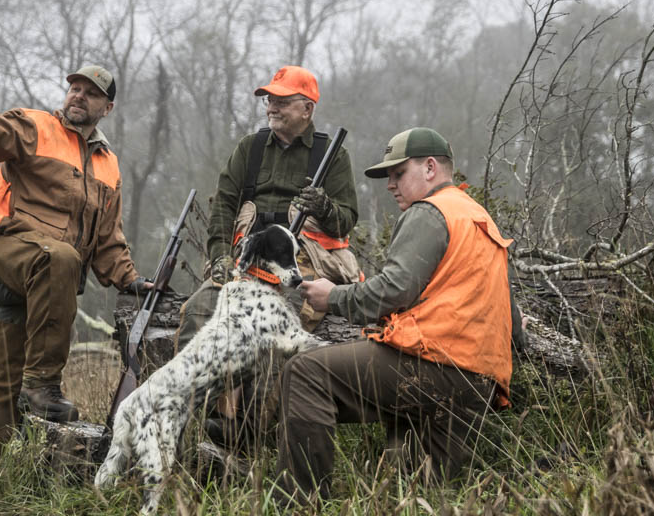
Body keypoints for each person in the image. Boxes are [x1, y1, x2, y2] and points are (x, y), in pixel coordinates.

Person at [275, 128, 524, 505]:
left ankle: (299, 505)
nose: (390, 185)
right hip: (479, 382)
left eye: (398, 173)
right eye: (387, 177)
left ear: (429, 168)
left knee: (306, 374)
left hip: (434, 364)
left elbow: (393, 290)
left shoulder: (430, 212)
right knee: (424, 495)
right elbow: (512, 317)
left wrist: (333, 296)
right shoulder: (477, 216)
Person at [0, 64, 150, 452]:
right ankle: (42, 384)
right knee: (61, 258)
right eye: (74, 88)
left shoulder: (109, 165)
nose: (78, 95)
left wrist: (130, 280)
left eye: (90, 93)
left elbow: (108, 237)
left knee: (4, 372)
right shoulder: (37, 128)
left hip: (42, 279)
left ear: (107, 108)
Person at [175, 65, 362, 446]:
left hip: (301, 263)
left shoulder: (331, 156)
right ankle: (212, 415)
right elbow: (224, 207)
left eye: (281, 100)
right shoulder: (251, 148)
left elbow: (345, 221)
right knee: (199, 310)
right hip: (250, 259)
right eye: (269, 99)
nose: (271, 107)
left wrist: (324, 207)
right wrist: (221, 256)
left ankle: (251, 434)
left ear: (307, 108)